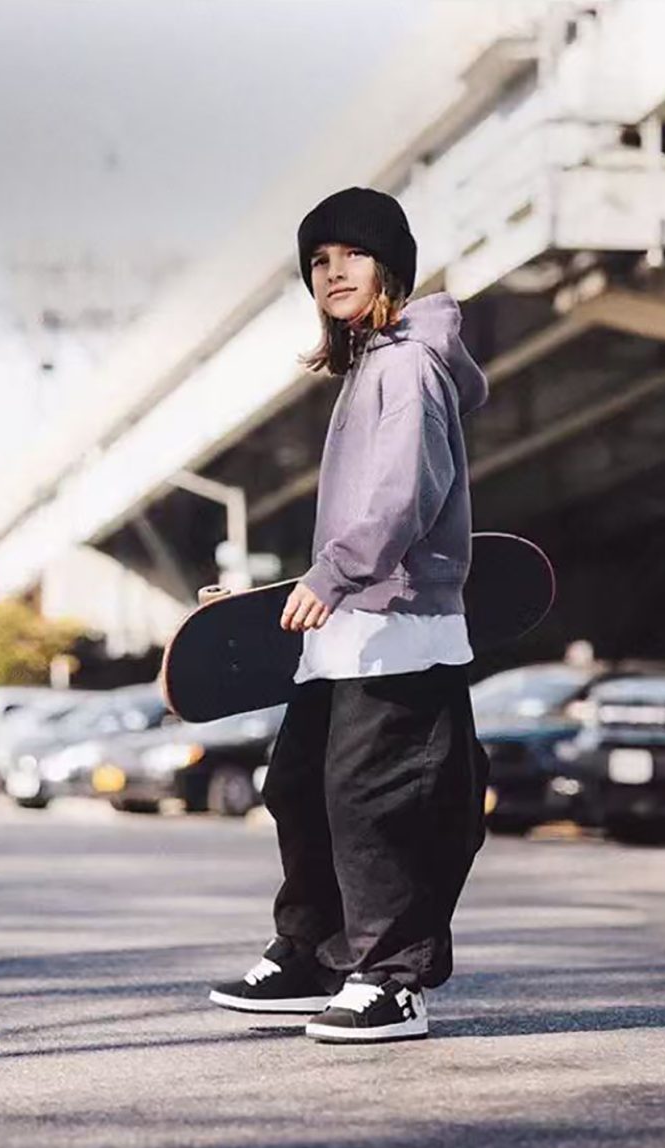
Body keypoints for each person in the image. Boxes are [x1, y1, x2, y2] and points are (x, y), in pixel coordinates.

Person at [205, 186, 491, 1044]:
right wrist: (277, 596)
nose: (333, 273)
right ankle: (316, 954)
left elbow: (405, 492)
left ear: (390, 267)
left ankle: (394, 979)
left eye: (352, 256)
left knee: (376, 806)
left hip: (399, 631)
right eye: (319, 262)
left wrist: (335, 571)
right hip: (349, 633)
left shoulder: (408, 365)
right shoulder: (372, 361)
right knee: (299, 787)